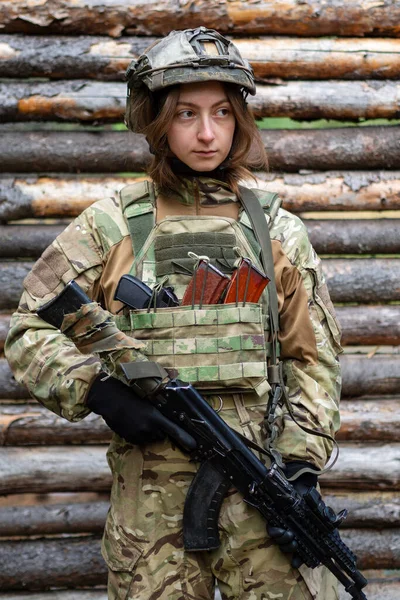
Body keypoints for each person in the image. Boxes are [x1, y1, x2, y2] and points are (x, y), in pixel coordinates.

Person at [5, 27, 342, 600]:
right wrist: (97, 391)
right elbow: (28, 327)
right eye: (186, 113)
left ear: (240, 120)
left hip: (265, 494)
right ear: (157, 120)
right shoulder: (109, 225)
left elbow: (312, 356)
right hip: (149, 513)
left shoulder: (276, 231)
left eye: (221, 113)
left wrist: (302, 464)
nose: (207, 133)